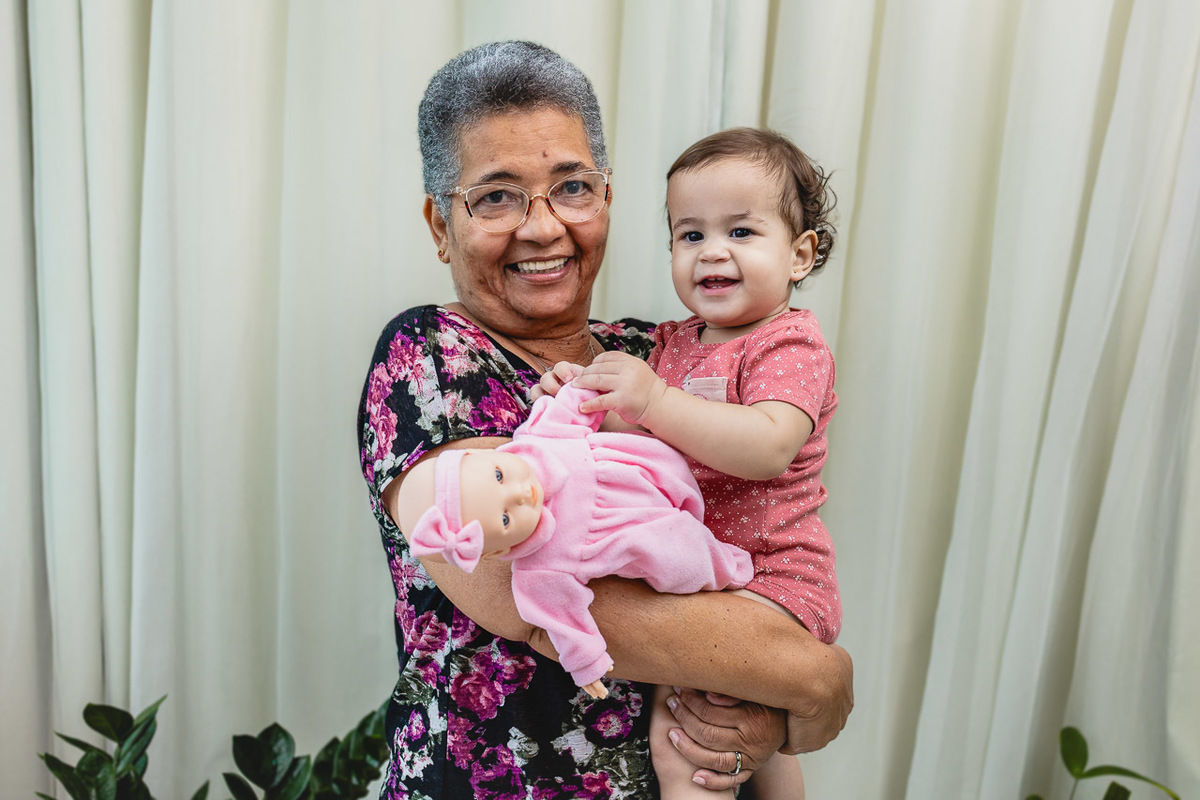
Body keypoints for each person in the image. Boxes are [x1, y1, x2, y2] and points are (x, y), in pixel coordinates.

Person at [357, 41, 852, 799]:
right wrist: (815, 677)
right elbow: (533, 594)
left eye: (572, 187)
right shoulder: (429, 358)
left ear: (609, 200)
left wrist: (773, 717)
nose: (544, 227)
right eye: (496, 197)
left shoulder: (654, 357)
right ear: (438, 223)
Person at [537, 127, 839, 799]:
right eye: (691, 235)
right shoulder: (674, 343)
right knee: (747, 741)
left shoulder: (790, 345)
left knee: (686, 747)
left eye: (742, 232)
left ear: (800, 254)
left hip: (773, 579)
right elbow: (632, 429)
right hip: (708, 580)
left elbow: (768, 445)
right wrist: (579, 400)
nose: (713, 253)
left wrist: (655, 399)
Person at [394, 383, 753, 700]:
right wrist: (588, 666)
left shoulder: (540, 437)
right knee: (684, 564)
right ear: (499, 551)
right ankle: (730, 566)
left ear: (488, 454)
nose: (522, 494)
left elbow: (576, 403)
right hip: (652, 533)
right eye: (505, 518)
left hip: (663, 469)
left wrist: (589, 382)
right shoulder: (539, 572)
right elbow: (565, 623)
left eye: (501, 476)